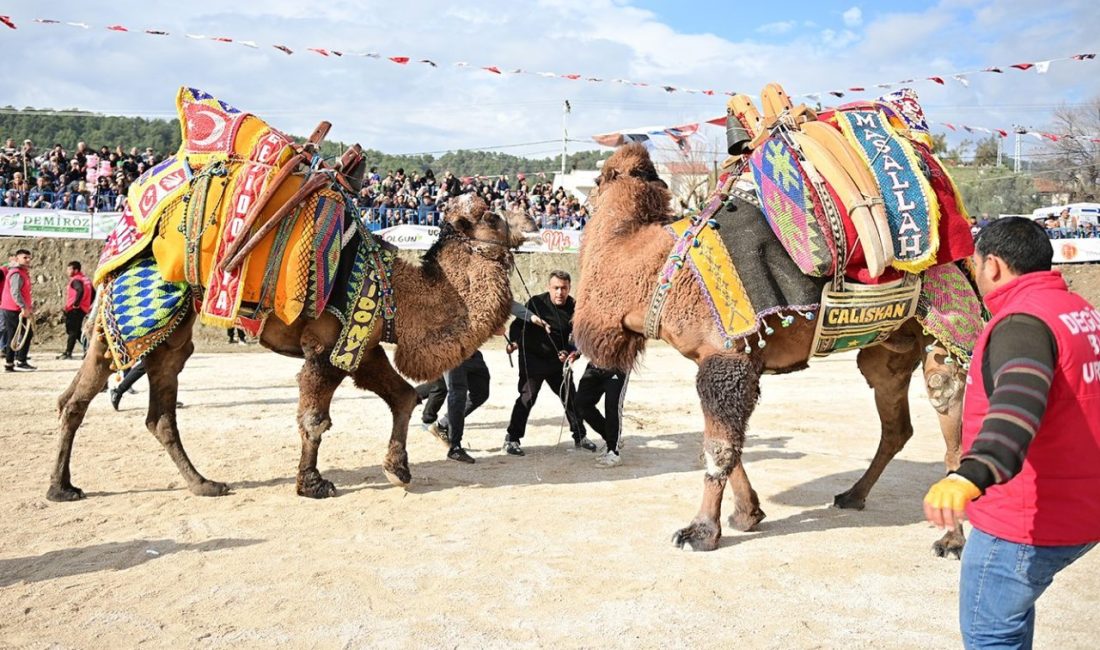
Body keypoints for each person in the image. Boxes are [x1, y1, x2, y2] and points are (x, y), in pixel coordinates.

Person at [922, 217, 1100, 649]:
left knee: (992, 638)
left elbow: (1017, 406)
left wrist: (971, 473)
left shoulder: (1021, 324)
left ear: (994, 266)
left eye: (976, 266)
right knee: (1013, 620)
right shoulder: (1079, 311)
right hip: (1082, 507)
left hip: (1023, 523)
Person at [503, 270, 596, 456]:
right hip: (532, 359)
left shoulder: (574, 308)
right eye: (556, 288)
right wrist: (513, 343)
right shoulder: (536, 303)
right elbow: (517, 326)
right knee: (527, 398)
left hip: (557, 363)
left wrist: (570, 353)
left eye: (564, 288)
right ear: (549, 288)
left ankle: (580, 436)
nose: (560, 293)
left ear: (569, 288)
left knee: (570, 397)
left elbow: (577, 339)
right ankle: (512, 439)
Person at [575, 363, 629, 467]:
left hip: (617, 367)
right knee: (581, 403)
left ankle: (613, 452)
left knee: (612, 406)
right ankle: (610, 438)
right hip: (594, 366)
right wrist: (575, 353)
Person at [2, 249, 36, 372]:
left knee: (19, 335)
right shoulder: (16, 273)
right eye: (25, 257)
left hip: (16, 308)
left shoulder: (22, 272)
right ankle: (17, 362)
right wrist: (23, 307)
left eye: (29, 257)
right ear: (17, 259)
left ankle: (12, 362)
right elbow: (15, 292)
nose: (28, 260)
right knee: (17, 335)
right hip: (13, 309)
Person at [58, 261, 93, 360]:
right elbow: (93, 292)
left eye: (69, 269)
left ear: (76, 270)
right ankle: (89, 349)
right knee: (77, 332)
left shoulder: (76, 280)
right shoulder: (86, 279)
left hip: (74, 309)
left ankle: (68, 352)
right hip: (82, 309)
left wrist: (76, 304)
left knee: (72, 331)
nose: (67, 271)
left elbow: (80, 290)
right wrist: (88, 304)